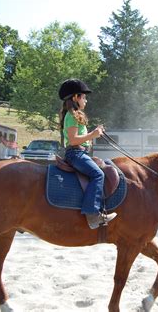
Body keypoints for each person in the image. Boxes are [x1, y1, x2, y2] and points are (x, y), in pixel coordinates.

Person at [58, 79, 116, 229]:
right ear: (75, 97)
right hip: (75, 154)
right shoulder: (71, 116)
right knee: (98, 175)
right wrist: (93, 135)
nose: (86, 100)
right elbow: (73, 140)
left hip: (80, 152)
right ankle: (92, 215)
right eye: (83, 97)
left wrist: (93, 135)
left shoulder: (75, 115)